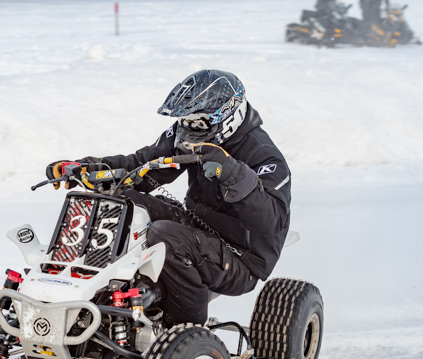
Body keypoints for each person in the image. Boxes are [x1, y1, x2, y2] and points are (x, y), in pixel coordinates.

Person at [45, 70, 291, 326]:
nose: (189, 128)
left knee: (164, 235)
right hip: (199, 226)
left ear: (229, 115)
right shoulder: (191, 133)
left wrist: (232, 172)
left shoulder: (264, 155)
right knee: (122, 201)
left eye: (198, 122)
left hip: (241, 256)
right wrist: (90, 168)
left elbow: (271, 222)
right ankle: (85, 289)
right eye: (185, 120)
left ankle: (185, 329)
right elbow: (142, 165)